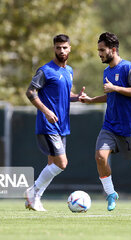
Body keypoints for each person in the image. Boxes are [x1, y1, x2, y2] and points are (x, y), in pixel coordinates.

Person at [80, 32, 131, 214]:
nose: (99, 53)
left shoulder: (128, 68)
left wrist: (115, 87)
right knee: (100, 156)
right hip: (111, 125)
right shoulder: (107, 71)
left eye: (102, 50)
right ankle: (110, 193)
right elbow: (111, 96)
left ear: (113, 50)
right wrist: (91, 100)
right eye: (98, 50)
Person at [24, 34, 84, 211]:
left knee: (52, 164)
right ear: (54, 49)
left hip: (62, 125)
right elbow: (30, 93)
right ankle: (33, 191)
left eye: (65, 47)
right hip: (48, 124)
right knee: (62, 164)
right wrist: (47, 111)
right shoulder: (45, 70)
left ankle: (34, 198)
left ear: (70, 48)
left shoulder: (69, 71)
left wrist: (78, 97)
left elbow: (65, 95)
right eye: (58, 47)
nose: (62, 50)